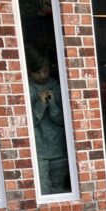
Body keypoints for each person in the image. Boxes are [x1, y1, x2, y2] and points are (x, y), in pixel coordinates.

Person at [26, 47, 70, 194]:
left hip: (58, 145)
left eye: (45, 71)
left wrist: (52, 104)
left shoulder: (56, 86)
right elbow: (29, 123)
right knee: (43, 188)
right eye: (38, 72)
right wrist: (40, 104)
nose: (42, 75)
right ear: (30, 71)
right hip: (38, 148)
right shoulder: (27, 89)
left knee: (58, 186)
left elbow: (63, 120)